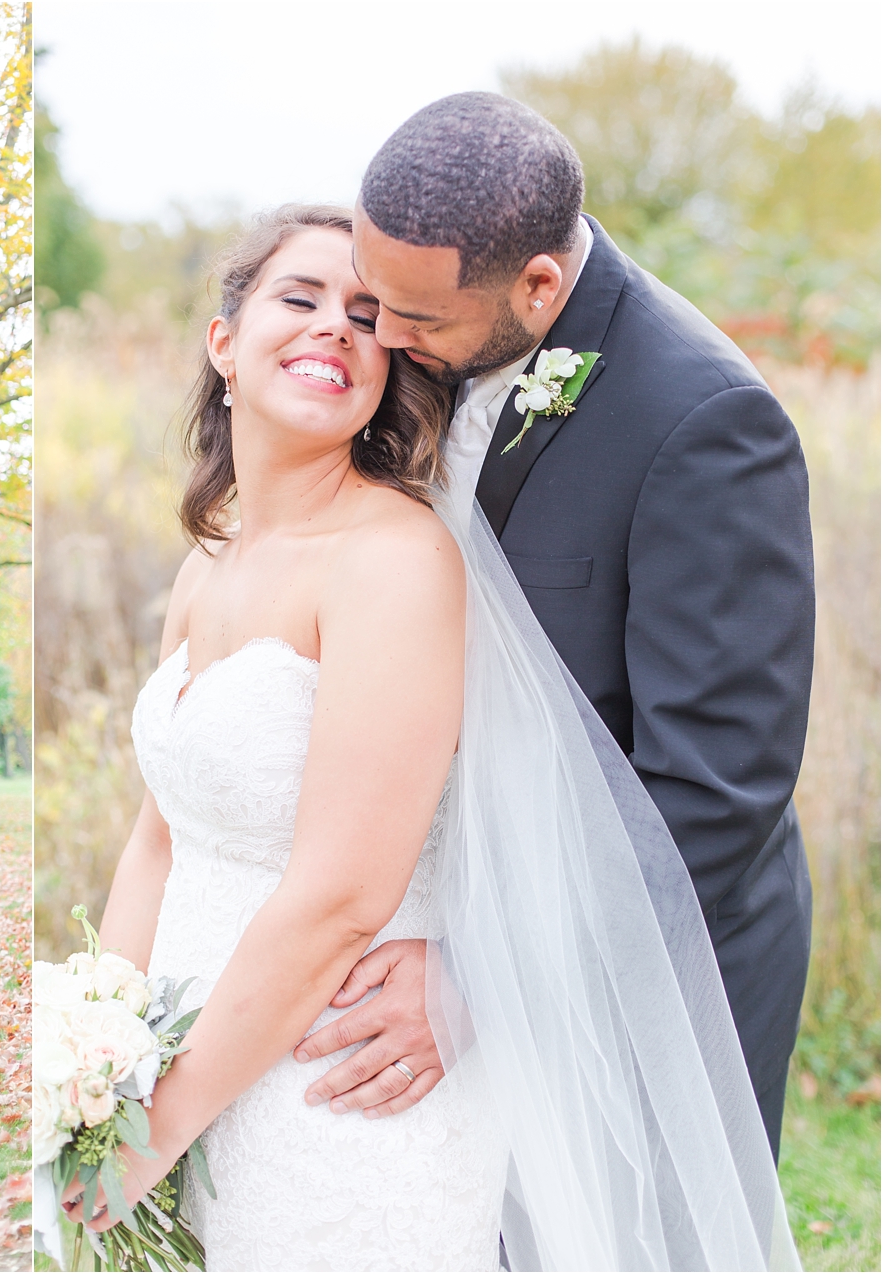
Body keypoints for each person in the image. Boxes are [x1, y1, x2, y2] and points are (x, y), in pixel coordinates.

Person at [71, 202, 796, 1269]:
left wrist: (154, 1126)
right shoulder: (205, 564)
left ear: (390, 367)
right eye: (299, 296)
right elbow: (158, 838)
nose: (334, 326)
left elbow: (338, 896)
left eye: (365, 315)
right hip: (201, 1059)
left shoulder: (391, 560)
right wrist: (101, 1049)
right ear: (222, 342)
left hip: (339, 1073)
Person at [296, 93, 815, 1169]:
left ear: (539, 284)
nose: (381, 338)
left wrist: (479, 977)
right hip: (476, 901)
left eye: (417, 319)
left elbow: (711, 793)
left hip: (655, 968)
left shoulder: (704, 421)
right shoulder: (433, 350)